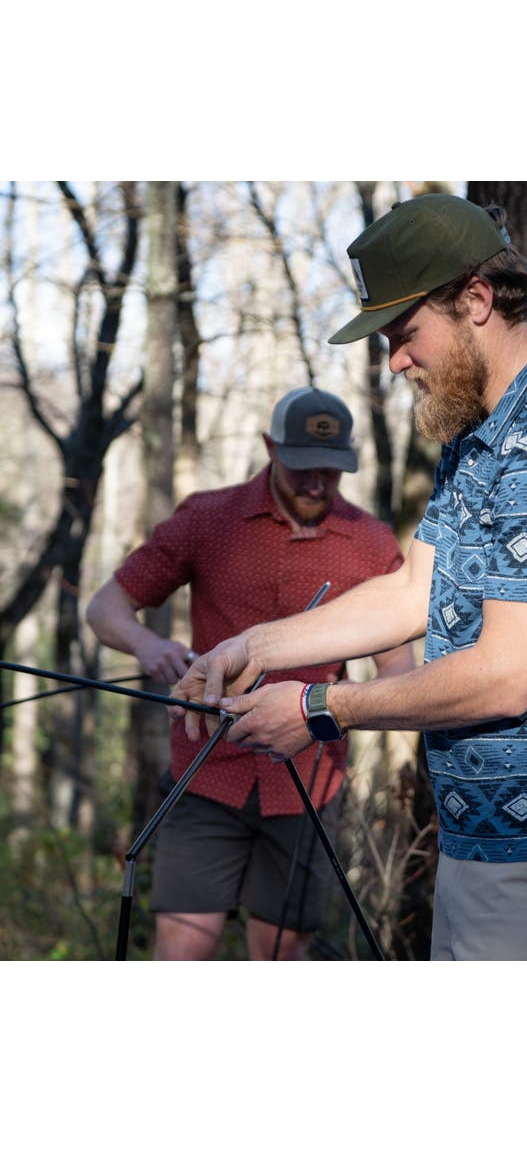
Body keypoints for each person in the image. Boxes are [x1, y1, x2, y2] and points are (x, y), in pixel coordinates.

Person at [171, 193, 527, 961]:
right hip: (482, 850)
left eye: (404, 335)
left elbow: (504, 677)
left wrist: (322, 708)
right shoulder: (480, 439)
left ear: (475, 300)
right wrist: (255, 646)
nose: (394, 361)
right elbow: (412, 593)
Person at [87, 386, 414, 960]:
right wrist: (145, 644)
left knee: (280, 959)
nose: (317, 484)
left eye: (332, 472)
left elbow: (397, 671)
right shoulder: (209, 519)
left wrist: (336, 704)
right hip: (204, 774)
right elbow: (105, 605)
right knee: (181, 955)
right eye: (303, 469)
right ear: (270, 448)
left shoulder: (370, 541)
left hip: (309, 782)